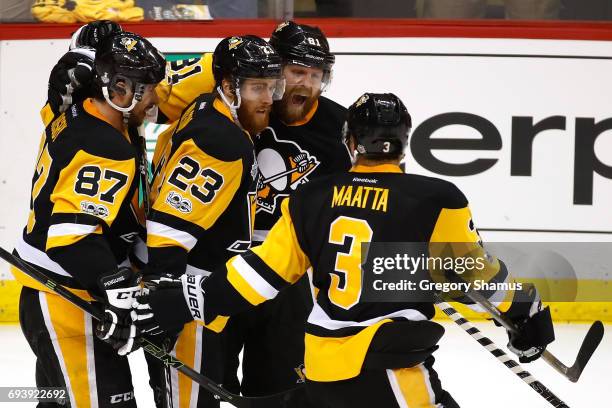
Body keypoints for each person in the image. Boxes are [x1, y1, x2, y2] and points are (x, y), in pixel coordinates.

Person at [132, 92, 555, 408]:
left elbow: (259, 276)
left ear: (350, 142)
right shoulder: (436, 198)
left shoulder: (312, 196)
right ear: (404, 142)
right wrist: (526, 309)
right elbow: (474, 275)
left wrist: (191, 302)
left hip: (321, 375)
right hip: (389, 372)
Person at [11, 31, 165, 407]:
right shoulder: (104, 145)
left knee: (58, 401)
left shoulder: (78, 111)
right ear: (117, 87)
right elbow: (71, 237)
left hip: (50, 287)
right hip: (65, 296)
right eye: (147, 89)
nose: (157, 99)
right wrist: (114, 286)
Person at [141, 35, 284, 408]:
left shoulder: (206, 106)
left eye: (272, 86)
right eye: (257, 87)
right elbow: (171, 226)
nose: (268, 98)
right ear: (228, 87)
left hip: (195, 295)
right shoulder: (222, 141)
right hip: (187, 301)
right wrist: (166, 294)